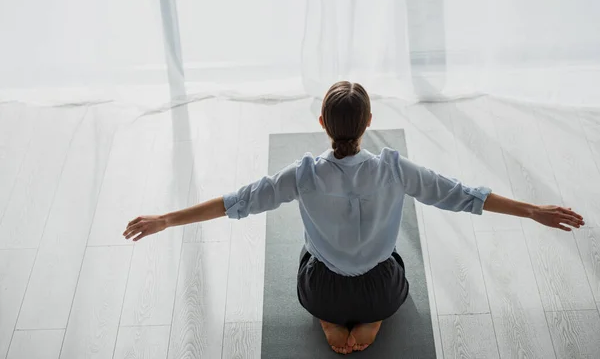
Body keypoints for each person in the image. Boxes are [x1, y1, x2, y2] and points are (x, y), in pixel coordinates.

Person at [123, 81, 585, 355]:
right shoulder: (394, 169)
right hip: (382, 289)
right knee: (390, 263)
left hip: (322, 289)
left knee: (311, 255)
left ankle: (329, 319)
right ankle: (372, 317)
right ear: (368, 123)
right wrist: (531, 209)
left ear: (323, 123)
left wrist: (165, 219)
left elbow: (235, 202)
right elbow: (463, 196)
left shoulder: (302, 174)